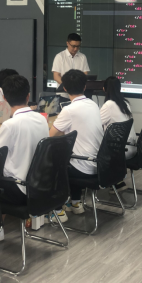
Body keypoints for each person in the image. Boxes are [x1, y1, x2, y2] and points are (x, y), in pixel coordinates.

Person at [0, 75, 50, 234]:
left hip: (19, 189)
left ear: (4, 98)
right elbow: (21, 142)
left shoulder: (10, 125)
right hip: (40, 185)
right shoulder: (41, 119)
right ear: (28, 96)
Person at [50, 70, 103, 215]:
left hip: (83, 167)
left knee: (52, 165)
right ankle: (75, 203)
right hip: (100, 165)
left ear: (65, 88)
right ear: (85, 87)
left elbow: (51, 136)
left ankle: (57, 211)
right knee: (74, 154)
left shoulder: (69, 110)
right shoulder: (93, 105)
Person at [100, 77, 137, 192]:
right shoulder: (125, 103)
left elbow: (95, 124)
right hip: (131, 148)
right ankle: (117, 181)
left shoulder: (109, 105)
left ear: (104, 89)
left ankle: (110, 181)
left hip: (120, 152)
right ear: (119, 88)